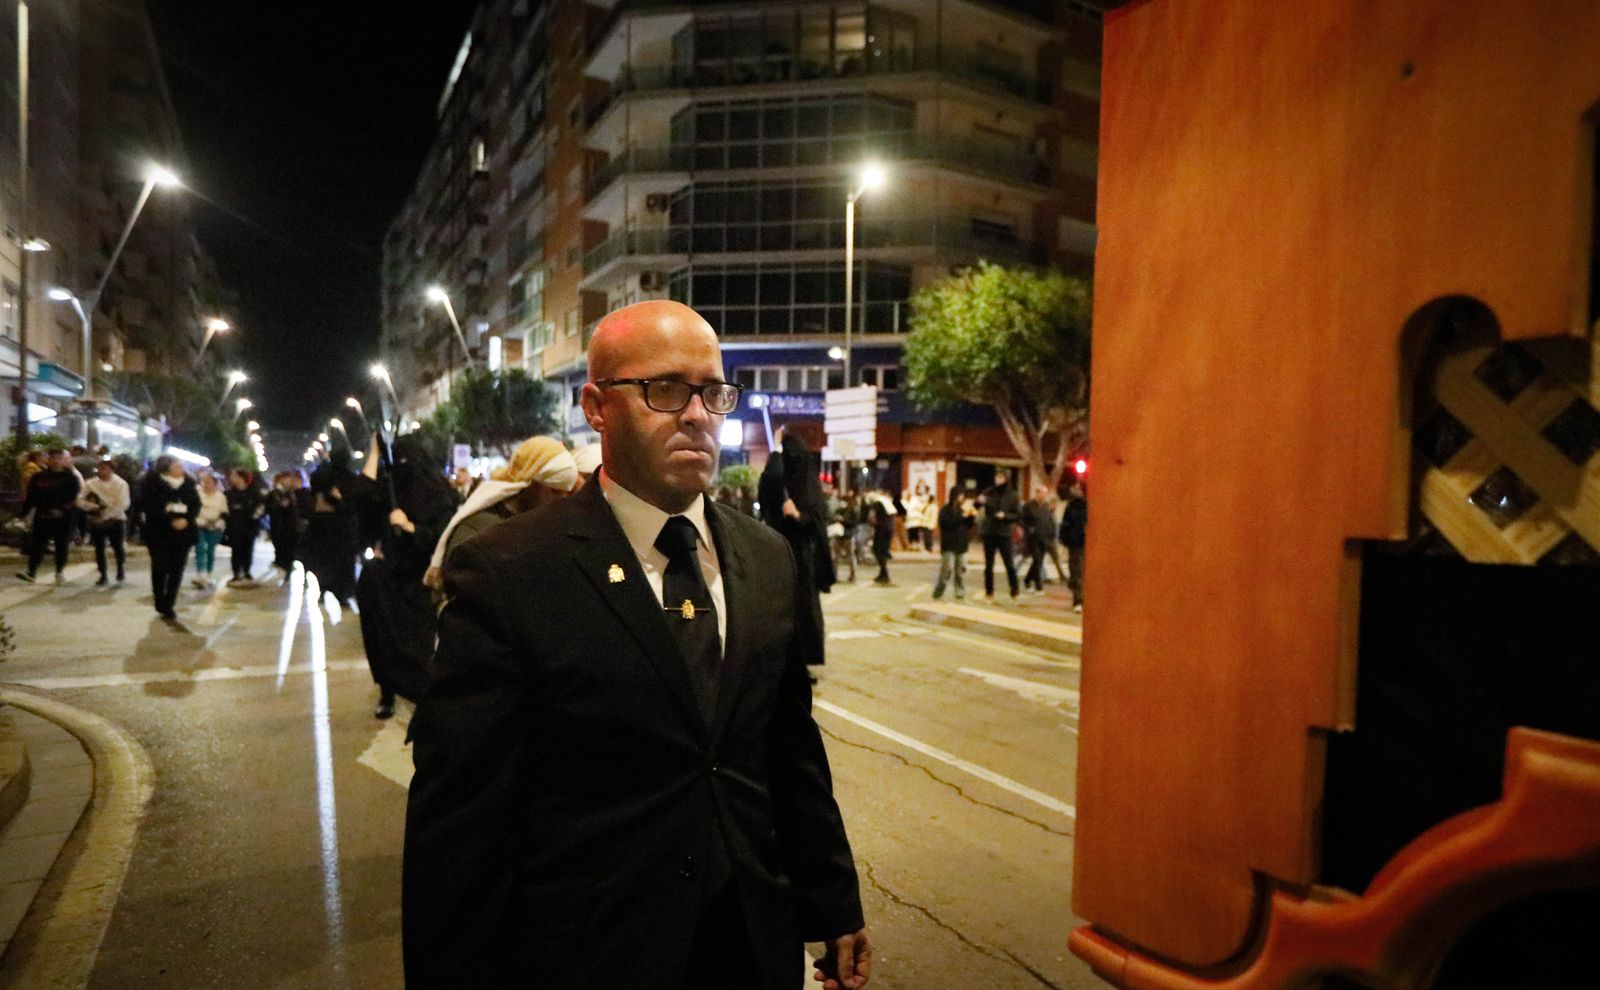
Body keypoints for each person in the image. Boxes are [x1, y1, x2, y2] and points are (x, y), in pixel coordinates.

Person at [404, 299, 870, 990]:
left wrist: (830, 899)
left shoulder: (767, 556)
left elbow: (787, 748)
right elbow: (462, 825)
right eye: (664, 389)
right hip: (590, 951)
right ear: (597, 407)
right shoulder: (511, 572)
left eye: (712, 392)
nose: (696, 414)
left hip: (748, 941)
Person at [355, 433, 458, 719]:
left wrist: (410, 528)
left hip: (421, 580)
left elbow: (443, 538)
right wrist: (374, 454)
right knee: (382, 640)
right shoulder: (391, 489)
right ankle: (387, 691)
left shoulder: (441, 496)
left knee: (420, 647)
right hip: (389, 577)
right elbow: (362, 495)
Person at [428, 435, 577, 585]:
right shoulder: (478, 529)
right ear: (530, 484)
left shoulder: (544, 526)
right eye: (555, 491)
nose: (561, 500)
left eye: (566, 493)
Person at [137, 456, 199, 619]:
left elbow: (195, 504)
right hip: (159, 532)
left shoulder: (189, 484)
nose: (181, 470)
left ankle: (170, 602)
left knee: (177, 568)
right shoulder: (152, 484)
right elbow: (148, 506)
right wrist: (170, 520)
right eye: (178, 466)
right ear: (167, 468)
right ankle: (159, 599)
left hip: (183, 533)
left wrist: (186, 519)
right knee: (160, 567)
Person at [303, 450, 360, 606]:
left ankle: (324, 589)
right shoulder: (351, 478)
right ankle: (343, 592)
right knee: (343, 561)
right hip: (343, 525)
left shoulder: (321, 475)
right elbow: (354, 503)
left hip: (322, 523)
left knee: (323, 559)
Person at [18, 449, 82, 585]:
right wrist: (24, 514)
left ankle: (59, 572)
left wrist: (61, 509)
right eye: (52, 458)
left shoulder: (70, 478)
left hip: (64, 517)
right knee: (37, 544)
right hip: (43, 515)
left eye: (59, 458)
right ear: (48, 459)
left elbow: (74, 497)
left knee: (61, 545)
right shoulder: (38, 477)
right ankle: (31, 571)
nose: (55, 461)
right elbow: (31, 497)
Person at [81, 459, 131, 586]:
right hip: (96, 519)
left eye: (105, 468)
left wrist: (108, 515)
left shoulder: (120, 484)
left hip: (116, 519)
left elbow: (123, 503)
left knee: (118, 547)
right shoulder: (91, 483)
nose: (101, 471)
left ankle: (120, 569)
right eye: (100, 468)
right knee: (99, 548)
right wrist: (92, 507)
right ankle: (102, 574)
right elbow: (80, 499)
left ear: (111, 470)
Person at [978, 468, 1022, 601]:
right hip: (989, 531)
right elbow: (977, 505)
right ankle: (989, 591)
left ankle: (1014, 590)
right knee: (988, 565)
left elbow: (1018, 514)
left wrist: (1005, 516)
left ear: (1007, 479)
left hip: (1004, 533)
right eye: (997, 476)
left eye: (1001, 477)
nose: (998, 479)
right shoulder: (989, 492)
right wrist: (979, 501)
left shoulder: (1013, 495)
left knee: (1009, 563)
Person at [933, 487, 976, 600]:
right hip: (949, 544)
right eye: (960, 495)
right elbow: (946, 524)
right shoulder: (946, 509)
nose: (961, 498)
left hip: (962, 544)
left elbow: (968, 526)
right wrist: (962, 517)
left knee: (961, 569)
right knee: (947, 568)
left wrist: (971, 518)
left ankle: (960, 592)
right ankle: (940, 589)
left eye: (963, 495)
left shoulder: (964, 509)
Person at [224, 468, 265, 585]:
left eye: (234, 475)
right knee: (236, 550)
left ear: (241, 478)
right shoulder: (229, 494)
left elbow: (261, 508)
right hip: (234, 527)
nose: (231, 478)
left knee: (248, 549)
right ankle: (236, 572)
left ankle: (247, 571)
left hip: (250, 526)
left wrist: (254, 516)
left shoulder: (254, 493)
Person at [192, 471, 227, 589]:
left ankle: (209, 573)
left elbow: (224, 513)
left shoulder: (221, 497)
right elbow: (193, 511)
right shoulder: (197, 494)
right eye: (205, 482)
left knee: (211, 549)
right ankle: (200, 573)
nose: (207, 485)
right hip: (199, 524)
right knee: (200, 547)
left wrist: (215, 522)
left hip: (215, 526)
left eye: (210, 482)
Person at [264, 472, 302, 583]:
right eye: (287, 479)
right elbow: (270, 508)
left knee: (290, 551)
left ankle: (287, 570)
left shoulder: (292, 493)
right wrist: (280, 506)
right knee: (281, 549)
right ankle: (283, 569)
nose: (289, 481)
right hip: (280, 527)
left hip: (291, 527)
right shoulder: (276, 493)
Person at [1021, 485, 1060, 593]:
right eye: (1042, 493)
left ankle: (1027, 579)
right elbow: (1022, 520)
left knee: (1038, 561)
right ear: (1037, 493)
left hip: (1045, 537)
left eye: (1045, 493)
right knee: (1037, 559)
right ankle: (1038, 585)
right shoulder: (1029, 505)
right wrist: (1029, 529)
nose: (1044, 495)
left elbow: (1050, 520)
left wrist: (1052, 535)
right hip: (1033, 538)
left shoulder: (1046, 506)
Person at [1060, 479, 1087, 613]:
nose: (1075, 491)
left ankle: (1082, 598)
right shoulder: (1071, 507)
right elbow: (1065, 525)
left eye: (1078, 488)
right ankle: (1078, 600)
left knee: (1083, 574)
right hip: (1076, 544)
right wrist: (1065, 539)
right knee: (1077, 572)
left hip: (1085, 544)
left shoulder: (1090, 506)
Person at [865, 490, 895, 586]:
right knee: (883, 551)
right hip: (888, 529)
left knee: (878, 550)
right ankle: (883, 573)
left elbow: (872, 517)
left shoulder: (877, 503)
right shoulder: (885, 502)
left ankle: (884, 574)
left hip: (881, 530)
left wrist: (871, 524)